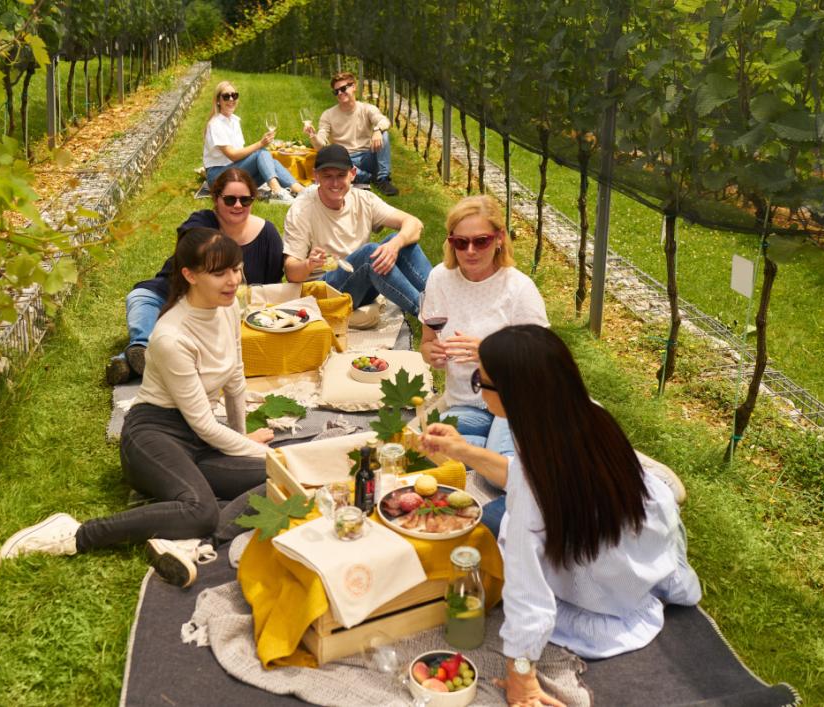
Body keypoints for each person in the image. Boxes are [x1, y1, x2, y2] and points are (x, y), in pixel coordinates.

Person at [420, 325, 701, 706]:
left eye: (479, 381)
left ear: (512, 393)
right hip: (637, 558)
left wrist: (522, 678)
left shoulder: (534, 486)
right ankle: (661, 481)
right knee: (504, 513)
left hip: (601, 595)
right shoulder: (587, 414)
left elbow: (528, 594)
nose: (478, 391)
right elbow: (522, 475)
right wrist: (462, 451)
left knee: (488, 527)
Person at [0, 228, 275, 588]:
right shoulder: (171, 336)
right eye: (219, 272)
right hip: (154, 436)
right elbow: (205, 425)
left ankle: (182, 538)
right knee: (202, 509)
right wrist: (261, 452)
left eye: (236, 269)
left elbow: (235, 378)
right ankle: (75, 534)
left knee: (277, 477)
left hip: (198, 440)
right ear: (190, 275)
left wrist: (241, 440)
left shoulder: (228, 307)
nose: (233, 280)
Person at [418, 196, 549, 535]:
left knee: (497, 476)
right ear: (450, 242)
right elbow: (427, 341)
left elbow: (543, 363)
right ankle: (523, 460)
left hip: (513, 403)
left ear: (499, 238)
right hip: (465, 403)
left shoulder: (518, 288)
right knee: (429, 445)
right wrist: (432, 353)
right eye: (460, 242)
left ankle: (513, 504)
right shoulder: (440, 279)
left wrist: (490, 353)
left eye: (481, 241)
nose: (470, 251)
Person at [106, 168, 285, 385]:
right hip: (174, 293)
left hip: (221, 311)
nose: (238, 205)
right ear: (216, 199)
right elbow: (190, 247)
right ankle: (142, 348)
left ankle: (133, 362)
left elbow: (270, 286)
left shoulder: (268, 235)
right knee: (141, 299)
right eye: (230, 200)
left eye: (245, 200)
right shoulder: (200, 223)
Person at [282, 144, 430, 316]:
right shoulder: (302, 210)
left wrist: (396, 244)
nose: (335, 183)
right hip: (322, 293)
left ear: (352, 173)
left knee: (400, 242)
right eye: (327, 176)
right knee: (370, 253)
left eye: (341, 175)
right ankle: (428, 315)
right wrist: (309, 264)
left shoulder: (363, 199)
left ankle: (441, 300)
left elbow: (415, 224)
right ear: (316, 176)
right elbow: (291, 273)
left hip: (360, 283)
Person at [203, 80, 304, 204]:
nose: (231, 99)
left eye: (234, 95)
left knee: (270, 163)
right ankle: (277, 192)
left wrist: (260, 151)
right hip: (217, 177)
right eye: (226, 96)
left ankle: (301, 191)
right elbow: (233, 155)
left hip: (233, 171)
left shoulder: (234, 121)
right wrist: (260, 144)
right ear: (218, 101)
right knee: (261, 152)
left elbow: (240, 153)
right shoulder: (216, 124)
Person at [304, 71, 399, 196]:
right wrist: (313, 136)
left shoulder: (367, 108)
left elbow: (384, 121)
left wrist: (377, 130)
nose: (340, 93)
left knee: (384, 134)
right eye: (336, 91)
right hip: (345, 159)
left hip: (368, 156)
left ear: (353, 86)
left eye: (343, 89)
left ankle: (383, 179)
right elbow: (321, 145)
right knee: (328, 154)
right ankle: (367, 178)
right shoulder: (328, 115)